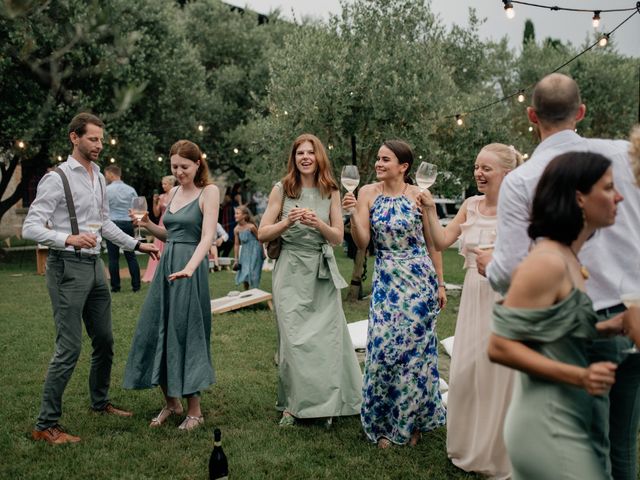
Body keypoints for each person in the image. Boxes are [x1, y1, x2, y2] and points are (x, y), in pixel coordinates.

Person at [479, 73, 640, 480]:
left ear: (532, 115)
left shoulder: (524, 180)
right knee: (614, 447)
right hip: (594, 326)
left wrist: (489, 266)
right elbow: (504, 340)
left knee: (602, 449)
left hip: (605, 323)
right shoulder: (622, 155)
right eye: (609, 189)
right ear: (581, 112)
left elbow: (508, 271)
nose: (617, 195)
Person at [22, 112, 159, 444]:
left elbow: (104, 225)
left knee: (106, 341)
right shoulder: (56, 178)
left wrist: (138, 244)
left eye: (101, 139)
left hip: (95, 269)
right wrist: (67, 238)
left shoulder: (99, 177)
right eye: (93, 139)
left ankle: (100, 402)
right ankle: (45, 424)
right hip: (66, 268)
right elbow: (30, 227)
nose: (99, 145)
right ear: (74, 138)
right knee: (69, 347)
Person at [488, 151, 623, 479]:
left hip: (570, 415)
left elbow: (554, 331)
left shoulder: (570, 259)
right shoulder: (546, 262)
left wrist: (611, 327)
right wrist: (581, 376)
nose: (618, 196)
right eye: (608, 188)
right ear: (579, 198)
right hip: (547, 423)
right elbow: (500, 347)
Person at [420, 143, 521, 478]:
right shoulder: (470, 205)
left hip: (506, 297)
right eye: (477, 167)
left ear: (506, 173)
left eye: (486, 168)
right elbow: (440, 241)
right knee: (467, 369)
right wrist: (430, 212)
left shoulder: (521, 208)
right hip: (474, 296)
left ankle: (499, 454)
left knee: (499, 374)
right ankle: (467, 446)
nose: (478, 173)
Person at [343, 139, 447, 448]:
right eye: (378, 158)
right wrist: (351, 216)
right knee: (384, 350)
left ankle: (410, 423)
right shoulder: (366, 194)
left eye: (386, 159)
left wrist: (440, 283)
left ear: (403, 167)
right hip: (387, 281)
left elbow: (433, 244)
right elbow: (362, 243)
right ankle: (383, 421)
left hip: (419, 281)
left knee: (413, 355)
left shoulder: (419, 196)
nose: (378, 163)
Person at [258, 133, 362, 427]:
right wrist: (287, 221)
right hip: (290, 269)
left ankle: (326, 405)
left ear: (319, 158)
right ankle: (292, 406)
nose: (305, 157)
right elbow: (262, 233)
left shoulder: (331, 191)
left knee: (325, 341)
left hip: (321, 269)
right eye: (300, 153)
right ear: (293, 158)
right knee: (292, 341)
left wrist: (319, 223)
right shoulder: (282, 189)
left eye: (310, 152)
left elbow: (339, 237)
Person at [123, 139, 219, 431]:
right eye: (174, 166)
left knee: (185, 332)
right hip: (167, 268)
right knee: (154, 329)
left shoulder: (209, 192)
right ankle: (171, 402)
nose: (179, 172)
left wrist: (190, 267)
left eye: (184, 166)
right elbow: (169, 234)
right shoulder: (174, 192)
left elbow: (207, 236)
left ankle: (195, 411)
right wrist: (148, 224)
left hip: (191, 269)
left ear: (197, 164)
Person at [104, 165, 141, 292]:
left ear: (111, 174)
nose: (105, 177)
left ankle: (115, 287)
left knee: (113, 257)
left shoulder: (106, 190)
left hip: (112, 224)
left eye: (106, 174)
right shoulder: (130, 189)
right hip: (127, 223)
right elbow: (137, 208)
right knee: (131, 255)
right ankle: (136, 286)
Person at [142, 175, 176, 282]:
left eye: (165, 184)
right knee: (158, 247)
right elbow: (156, 214)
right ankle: (155, 273)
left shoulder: (176, 195)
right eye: (162, 184)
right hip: (161, 223)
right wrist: (154, 201)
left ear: (171, 185)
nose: (163, 186)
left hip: (171, 223)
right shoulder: (161, 196)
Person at [233, 206, 264, 289]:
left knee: (254, 273)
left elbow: (259, 239)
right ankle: (247, 295)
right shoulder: (236, 229)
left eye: (237, 213)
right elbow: (236, 244)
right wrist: (236, 259)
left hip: (255, 251)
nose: (235, 215)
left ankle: (254, 295)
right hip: (244, 253)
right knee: (244, 273)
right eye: (235, 213)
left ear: (244, 215)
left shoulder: (251, 227)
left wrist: (263, 253)